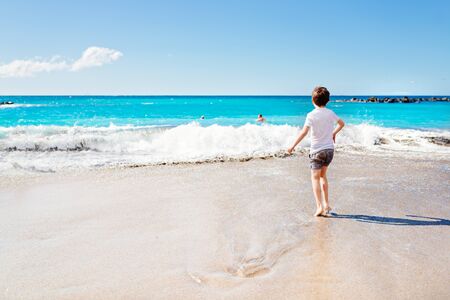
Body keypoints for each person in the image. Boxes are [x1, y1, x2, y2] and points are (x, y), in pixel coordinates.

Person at [287, 87, 345, 217]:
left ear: (313, 100)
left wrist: (293, 146)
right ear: (328, 100)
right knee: (323, 176)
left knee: (314, 178)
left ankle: (319, 207)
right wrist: (333, 134)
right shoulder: (330, 113)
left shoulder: (311, 115)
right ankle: (326, 204)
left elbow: (304, 132)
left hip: (316, 151)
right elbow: (341, 123)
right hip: (329, 150)